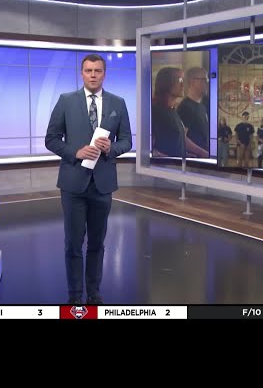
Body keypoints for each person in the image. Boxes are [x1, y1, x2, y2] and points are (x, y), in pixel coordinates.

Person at [45, 53, 132, 305]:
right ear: (82, 73)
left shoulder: (118, 103)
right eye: (88, 70)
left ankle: (93, 293)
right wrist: (75, 152)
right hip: (73, 184)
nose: (93, 75)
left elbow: (127, 140)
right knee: (73, 243)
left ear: (104, 74)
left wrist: (111, 148)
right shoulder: (66, 101)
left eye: (98, 71)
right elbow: (51, 139)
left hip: (102, 185)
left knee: (97, 242)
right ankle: (74, 296)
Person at [152, 67, 209, 158]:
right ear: (167, 82)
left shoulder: (171, 110)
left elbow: (180, 138)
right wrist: (167, 159)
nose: (183, 84)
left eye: (183, 80)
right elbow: (150, 147)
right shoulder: (156, 111)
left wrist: (186, 154)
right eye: (179, 80)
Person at [177, 67, 210, 154]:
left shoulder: (202, 106)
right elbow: (181, 138)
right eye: (204, 80)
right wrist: (203, 153)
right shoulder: (185, 107)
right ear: (192, 82)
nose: (207, 83)